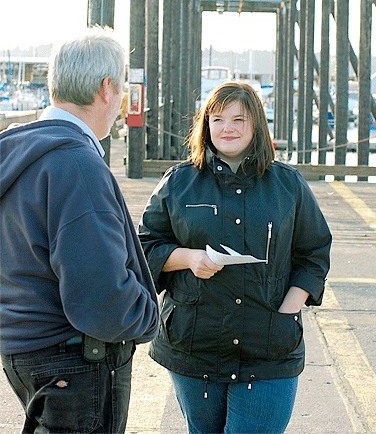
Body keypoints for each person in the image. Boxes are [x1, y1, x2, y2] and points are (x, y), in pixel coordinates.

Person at [139, 81, 332, 434]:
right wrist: (188, 258)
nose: (227, 128)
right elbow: (145, 247)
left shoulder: (288, 185)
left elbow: (314, 253)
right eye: (217, 119)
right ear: (205, 126)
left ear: (256, 124)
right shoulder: (179, 182)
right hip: (195, 345)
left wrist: (289, 310)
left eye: (238, 119)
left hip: (269, 346)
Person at [0, 29, 159, 434]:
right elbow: (101, 297)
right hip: (74, 359)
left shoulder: (18, 152)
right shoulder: (77, 164)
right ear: (107, 88)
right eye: (121, 88)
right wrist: (147, 315)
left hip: (22, 349)